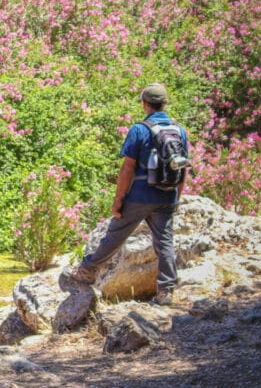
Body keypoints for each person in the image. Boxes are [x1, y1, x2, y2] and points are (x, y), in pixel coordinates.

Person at [61, 83, 189, 304]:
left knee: (116, 234)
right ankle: (166, 291)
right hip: (167, 195)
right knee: (165, 241)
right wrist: (176, 196)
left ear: (145, 103)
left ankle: (87, 271)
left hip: (140, 195)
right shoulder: (179, 131)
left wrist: (118, 200)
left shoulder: (139, 130)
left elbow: (127, 168)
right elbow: (182, 167)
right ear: (165, 103)